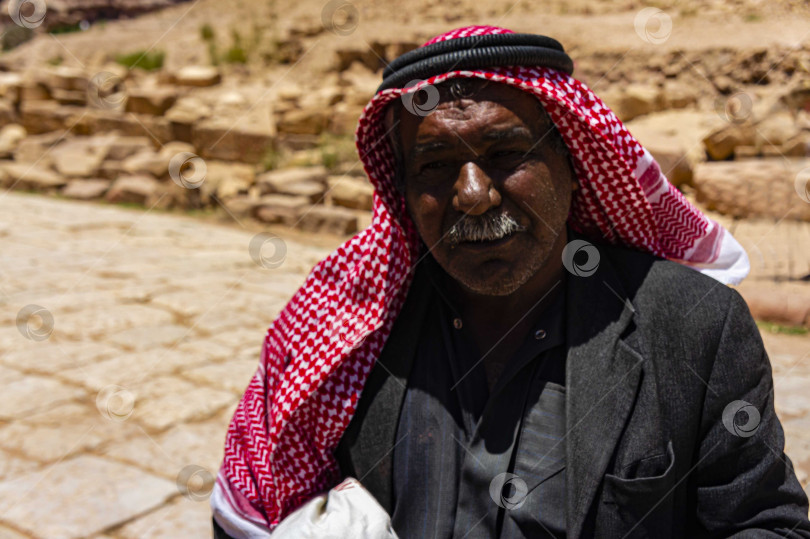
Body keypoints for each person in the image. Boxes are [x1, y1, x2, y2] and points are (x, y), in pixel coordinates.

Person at [211, 25, 810, 537]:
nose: (472, 196)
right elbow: (255, 508)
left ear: (573, 167)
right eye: (437, 165)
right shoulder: (349, 336)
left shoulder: (693, 326)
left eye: (505, 154)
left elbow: (764, 522)